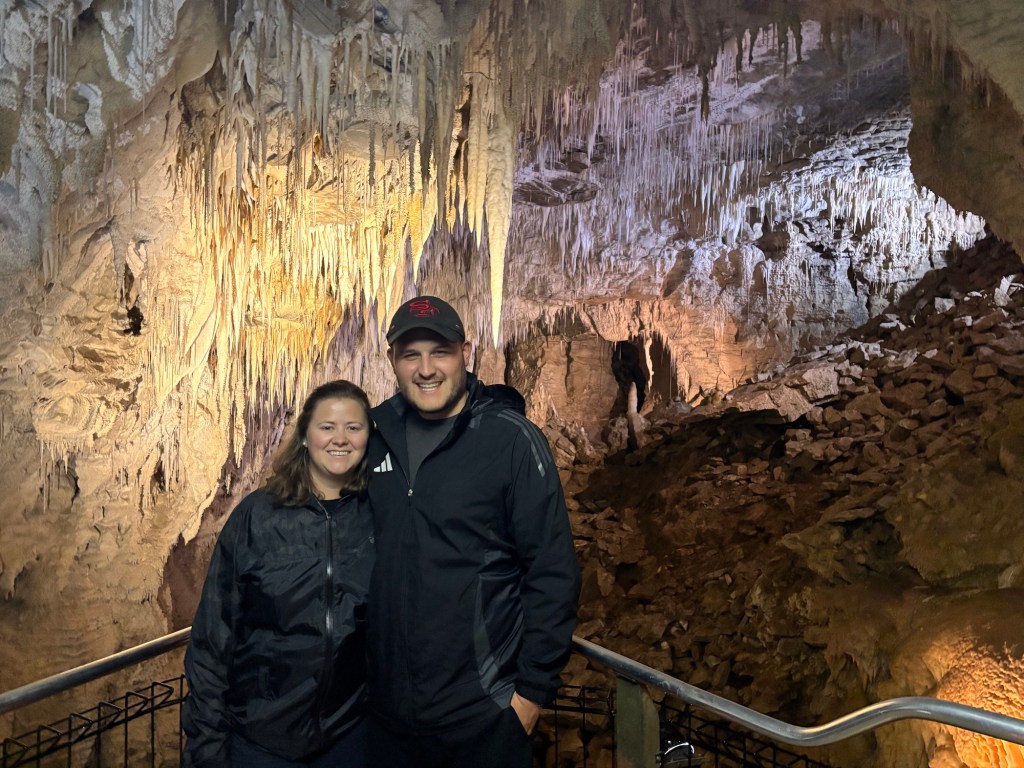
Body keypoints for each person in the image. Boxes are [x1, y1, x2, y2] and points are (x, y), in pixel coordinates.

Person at [365, 295, 581, 768]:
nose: (426, 369)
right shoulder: (373, 436)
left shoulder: (510, 440)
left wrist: (530, 695)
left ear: (466, 352)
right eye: (411, 355)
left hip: (482, 717)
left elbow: (552, 571)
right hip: (384, 719)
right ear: (392, 360)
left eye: (440, 352)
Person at [182, 380, 375, 768]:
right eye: (327, 427)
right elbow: (213, 639)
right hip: (260, 741)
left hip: (348, 736)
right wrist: (207, 745)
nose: (340, 438)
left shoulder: (377, 517)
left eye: (353, 427)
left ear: (368, 437)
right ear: (304, 435)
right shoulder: (256, 518)